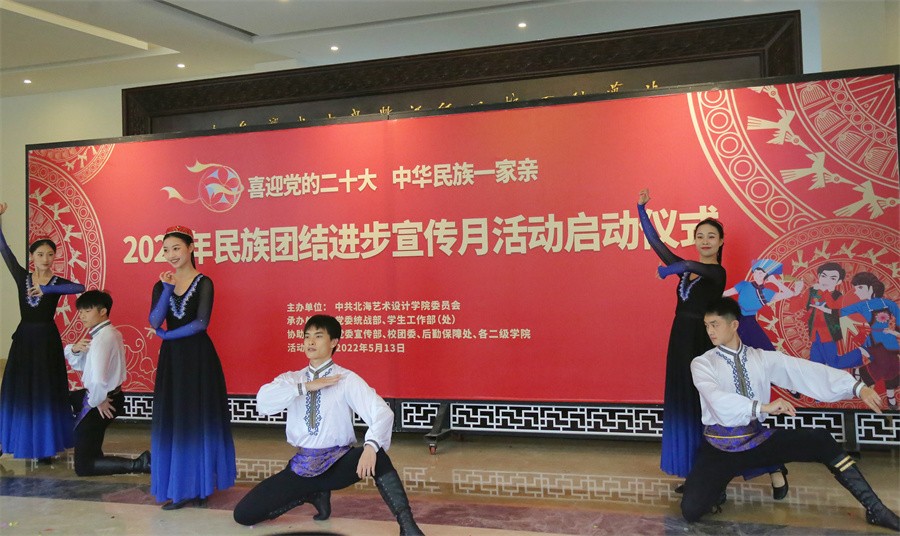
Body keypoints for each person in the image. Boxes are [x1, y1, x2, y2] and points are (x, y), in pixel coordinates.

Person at [681, 297, 898, 531]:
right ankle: (717, 486)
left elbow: (804, 371)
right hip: (720, 446)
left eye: (715, 324)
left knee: (821, 440)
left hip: (757, 440)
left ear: (734, 325)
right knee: (691, 511)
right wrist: (762, 407)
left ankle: (876, 509)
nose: (710, 331)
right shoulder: (702, 363)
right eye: (707, 325)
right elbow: (716, 398)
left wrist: (857, 387)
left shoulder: (762, 358)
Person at [233, 314, 424, 535]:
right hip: (301, 468)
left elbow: (382, 412)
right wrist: (306, 386)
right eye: (307, 336)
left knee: (378, 455)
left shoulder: (345, 379)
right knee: (244, 514)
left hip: (338, 464)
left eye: (318, 336)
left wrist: (371, 446)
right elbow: (263, 402)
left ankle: (407, 525)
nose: (310, 342)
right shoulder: (292, 379)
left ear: (334, 342)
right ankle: (313, 494)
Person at [636, 189, 727, 481]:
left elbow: (685, 265)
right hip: (679, 339)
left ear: (720, 242)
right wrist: (641, 209)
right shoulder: (688, 272)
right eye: (700, 236)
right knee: (682, 401)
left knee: (703, 404)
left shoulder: (717, 272)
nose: (705, 241)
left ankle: (712, 476)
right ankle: (692, 473)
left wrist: (667, 272)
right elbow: (656, 243)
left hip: (702, 340)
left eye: (711, 236)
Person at [148, 225, 236, 509]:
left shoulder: (204, 282)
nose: (171, 255)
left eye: (176, 248)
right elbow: (154, 320)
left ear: (191, 248)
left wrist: (167, 336)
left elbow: (201, 323)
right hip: (172, 361)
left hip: (198, 358)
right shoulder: (161, 284)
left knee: (197, 419)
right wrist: (167, 290)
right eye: (166, 250)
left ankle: (200, 487)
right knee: (176, 420)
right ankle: (181, 487)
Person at [0, 201, 84, 461]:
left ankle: (46, 447)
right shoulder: (22, 277)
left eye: (50, 254)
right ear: (32, 258)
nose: (45, 259)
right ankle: (7, 441)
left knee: (46, 389)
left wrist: (47, 289)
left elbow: (79, 287)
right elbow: (4, 249)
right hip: (24, 339)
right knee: (20, 389)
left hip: (47, 339)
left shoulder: (57, 282)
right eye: (40, 255)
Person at [64, 290, 151, 476]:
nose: (82, 316)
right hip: (107, 397)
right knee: (62, 401)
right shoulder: (107, 333)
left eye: (87, 311)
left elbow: (98, 379)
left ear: (103, 311)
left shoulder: (103, 339)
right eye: (80, 311)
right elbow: (85, 367)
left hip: (103, 400)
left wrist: (97, 400)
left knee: (84, 466)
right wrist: (75, 349)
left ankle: (139, 464)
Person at [723, 258, 802, 350]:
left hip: (750, 322)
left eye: (761, 273)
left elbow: (789, 294)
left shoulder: (767, 293)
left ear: (766, 275)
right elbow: (724, 294)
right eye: (756, 272)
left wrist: (775, 281)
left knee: (764, 349)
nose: (757, 275)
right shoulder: (744, 285)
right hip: (734, 318)